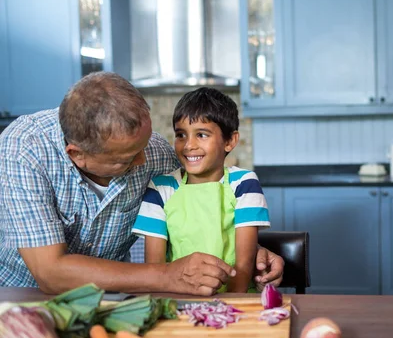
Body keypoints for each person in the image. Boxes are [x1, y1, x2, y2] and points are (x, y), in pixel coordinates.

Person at [0, 72, 283, 295]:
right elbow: (51, 273)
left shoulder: (156, 154)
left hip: (107, 298)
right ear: (78, 155)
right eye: (126, 158)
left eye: (143, 146)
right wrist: (168, 275)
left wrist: (249, 253)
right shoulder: (23, 150)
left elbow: (196, 211)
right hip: (19, 296)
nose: (142, 162)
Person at [132, 87, 270, 293]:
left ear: (230, 141)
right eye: (181, 135)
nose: (189, 145)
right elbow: (156, 271)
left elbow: (243, 266)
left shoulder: (244, 184)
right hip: (177, 300)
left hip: (236, 300)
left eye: (202, 135)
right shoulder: (160, 189)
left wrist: (227, 309)